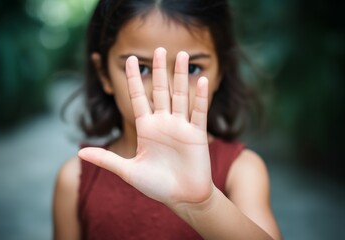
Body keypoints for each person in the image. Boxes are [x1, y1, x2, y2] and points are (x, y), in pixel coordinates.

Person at [53, 0, 282, 239]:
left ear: (220, 72)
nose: (169, 90)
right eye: (141, 68)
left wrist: (204, 206)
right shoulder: (74, 181)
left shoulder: (241, 170)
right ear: (104, 73)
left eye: (192, 68)